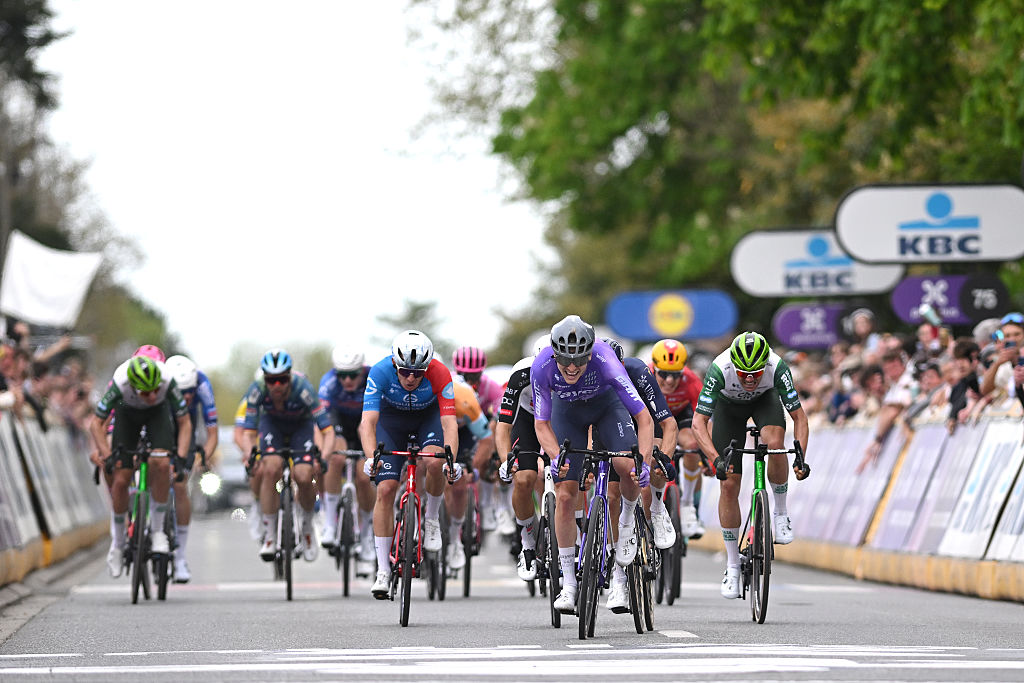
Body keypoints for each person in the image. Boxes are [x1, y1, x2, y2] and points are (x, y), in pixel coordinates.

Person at [530, 315, 654, 614]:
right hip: (567, 414)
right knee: (564, 492)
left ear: (589, 354)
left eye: (579, 362)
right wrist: (555, 457)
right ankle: (569, 584)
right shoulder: (542, 366)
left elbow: (644, 418)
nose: (572, 368)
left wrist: (645, 462)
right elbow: (542, 424)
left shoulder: (605, 359)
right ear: (555, 354)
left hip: (607, 408)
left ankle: (624, 534)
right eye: (565, 362)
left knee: (628, 468)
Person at [690, 331, 809, 600]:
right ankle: (732, 565)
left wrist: (800, 455)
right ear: (734, 365)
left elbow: (799, 417)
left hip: (765, 403)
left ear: (765, 365)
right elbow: (698, 424)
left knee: (775, 443)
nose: (750, 380)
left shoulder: (777, 366)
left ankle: (780, 512)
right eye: (744, 374)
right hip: (728, 410)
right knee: (729, 484)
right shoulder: (719, 368)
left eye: (756, 373)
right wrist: (716, 459)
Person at [359, 330, 461, 598]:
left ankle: (431, 520)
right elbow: (368, 422)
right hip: (390, 424)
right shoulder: (380, 372)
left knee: (434, 463)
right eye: (405, 371)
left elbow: (449, 423)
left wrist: (451, 458)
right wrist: (372, 457)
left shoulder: (440, 373)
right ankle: (382, 570)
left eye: (419, 372)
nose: (412, 378)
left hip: (427, 421)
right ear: (395, 364)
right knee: (385, 489)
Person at [89, 356, 192, 577]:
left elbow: (184, 423)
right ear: (133, 386)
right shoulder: (120, 383)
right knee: (120, 479)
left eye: (155, 390)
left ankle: (157, 532)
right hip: (127, 413)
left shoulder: (166, 381)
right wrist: (107, 456)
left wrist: (181, 457)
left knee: (162, 463)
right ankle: (117, 545)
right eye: (146, 393)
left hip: (158, 415)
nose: (152, 396)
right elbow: (96, 424)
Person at [597, 337, 677, 613]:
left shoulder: (639, 372)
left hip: (642, 422)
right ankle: (619, 578)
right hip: (608, 424)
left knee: (652, 459)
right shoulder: (591, 376)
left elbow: (667, 424)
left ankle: (656, 506)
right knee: (611, 494)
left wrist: (662, 460)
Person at [241, 349, 335, 563]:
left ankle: (308, 525)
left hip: (300, 428)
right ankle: (270, 535)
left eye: (282, 380)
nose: (276, 386)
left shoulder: (304, 389)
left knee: (303, 476)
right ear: (264, 378)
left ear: (290, 377)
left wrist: (324, 456)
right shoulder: (257, 390)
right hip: (272, 426)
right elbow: (248, 433)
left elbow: (327, 431)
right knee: (270, 468)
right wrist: (250, 455)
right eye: (271, 380)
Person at [495, 334, 550, 582]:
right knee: (524, 478)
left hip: (559, 420)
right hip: (527, 421)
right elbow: (504, 425)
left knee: (569, 477)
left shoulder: (573, 372)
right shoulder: (520, 374)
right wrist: (506, 461)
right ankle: (527, 542)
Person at [317, 348, 376, 576]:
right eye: (343, 375)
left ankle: (365, 537)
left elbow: (374, 421)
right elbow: (322, 423)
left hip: (365, 424)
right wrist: (323, 451)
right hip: (338, 424)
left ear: (362, 370)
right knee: (335, 458)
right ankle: (330, 521)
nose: (348, 380)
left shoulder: (372, 378)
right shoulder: (329, 382)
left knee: (364, 477)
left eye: (353, 374)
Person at [163, 355, 219, 583]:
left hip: (188, 426)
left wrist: (202, 455)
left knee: (179, 484)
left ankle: (180, 557)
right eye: (181, 392)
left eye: (189, 393)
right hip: (163, 421)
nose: (186, 397)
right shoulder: (162, 384)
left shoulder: (203, 385)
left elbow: (212, 433)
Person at [649, 338, 705, 538]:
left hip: (681, 417)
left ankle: (689, 506)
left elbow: (703, 419)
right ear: (654, 369)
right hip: (653, 420)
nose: (670, 381)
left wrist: (708, 454)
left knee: (692, 445)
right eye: (663, 374)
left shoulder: (692, 381)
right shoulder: (643, 376)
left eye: (675, 375)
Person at [451, 345, 510, 534]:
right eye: (465, 375)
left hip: (482, 427)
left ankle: (485, 503)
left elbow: (500, 416)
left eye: (474, 376)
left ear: (481, 374)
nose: (469, 381)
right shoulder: (451, 384)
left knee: (489, 455)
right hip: (456, 426)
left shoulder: (489, 386)